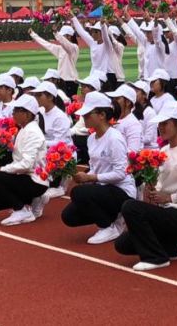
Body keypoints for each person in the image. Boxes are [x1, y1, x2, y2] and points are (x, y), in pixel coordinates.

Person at [115, 101, 177, 271]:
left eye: (165, 123)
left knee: (130, 206)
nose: (161, 127)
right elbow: (159, 183)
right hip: (164, 211)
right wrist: (151, 188)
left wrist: (170, 197)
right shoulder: (163, 151)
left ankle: (156, 258)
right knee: (122, 244)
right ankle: (172, 245)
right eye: (160, 124)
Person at [62, 91, 136, 243]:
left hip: (121, 190)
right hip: (103, 188)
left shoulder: (114, 138)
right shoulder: (91, 138)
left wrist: (90, 177)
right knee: (69, 216)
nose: (84, 117)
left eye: (88, 114)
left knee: (78, 193)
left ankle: (108, 227)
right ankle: (112, 216)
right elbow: (95, 166)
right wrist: (82, 176)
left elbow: (120, 173)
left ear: (102, 115)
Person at [0, 94, 49, 226]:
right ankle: (33, 199)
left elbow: (26, 164)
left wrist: (1, 169)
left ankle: (21, 209)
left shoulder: (32, 132)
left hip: (34, 180)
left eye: (17, 110)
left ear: (27, 114)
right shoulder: (24, 129)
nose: (13, 113)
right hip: (24, 177)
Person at [67, 11, 121, 92]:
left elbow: (106, 37)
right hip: (94, 75)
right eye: (92, 31)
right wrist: (73, 18)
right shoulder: (93, 43)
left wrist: (103, 26)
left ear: (100, 33)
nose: (92, 33)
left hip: (105, 77)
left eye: (95, 31)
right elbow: (82, 32)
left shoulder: (107, 46)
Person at [29, 25, 80, 97]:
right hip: (61, 80)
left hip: (71, 81)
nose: (61, 38)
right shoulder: (60, 49)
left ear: (69, 36)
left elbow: (65, 43)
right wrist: (33, 35)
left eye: (63, 36)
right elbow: (47, 44)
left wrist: (56, 33)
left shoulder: (74, 48)